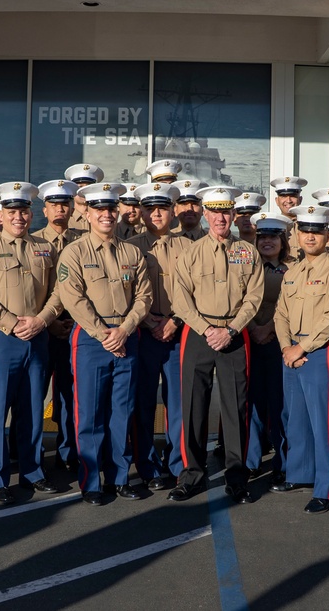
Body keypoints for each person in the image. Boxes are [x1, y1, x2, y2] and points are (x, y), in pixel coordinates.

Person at [56, 183, 153, 505]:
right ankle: (91, 481)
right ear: (88, 213)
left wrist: (124, 330)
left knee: (121, 412)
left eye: (111, 209)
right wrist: (103, 334)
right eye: (100, 209)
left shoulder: (132, 252)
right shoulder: (75, 251)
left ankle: (120, 478)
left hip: (126, 337)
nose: (107, 215)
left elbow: (144, 296)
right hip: (91, 339)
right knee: (90, 414)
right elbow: (73, 298)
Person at [0, 181, 63, 504]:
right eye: (12, 212)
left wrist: (41, 320)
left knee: (34, 406)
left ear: (31, 213)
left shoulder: (44, 248)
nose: (18, 217)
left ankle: (33, 471)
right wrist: (11, 323)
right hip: (2, 337)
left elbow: (57, 293)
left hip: (37, 335)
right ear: (2, 214)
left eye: (23, 211)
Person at [169, 186, 265, 504]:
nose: (221, 217)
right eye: (215, 212)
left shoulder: (248, 252)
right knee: (193, 404)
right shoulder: (191, 253)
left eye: (227, 211)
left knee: (236, 406)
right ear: (206, 215)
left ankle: (237, 476)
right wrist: (206, 328)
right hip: (198, 332)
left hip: (235, 334)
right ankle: (192, 474)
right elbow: (180, 298)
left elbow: (254, 296)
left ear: (234, 215)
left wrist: (232, 329)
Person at [273, 205, 329, 513]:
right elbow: (281, 313)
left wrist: (301, 348)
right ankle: (301, 473)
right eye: (304, 230)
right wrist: (285, 347)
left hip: (320, 351)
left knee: (324, 422)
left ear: (326, 235)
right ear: (296, 234)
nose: (310, 236)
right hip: (291, 351)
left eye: (316, 231)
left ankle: (327, 486)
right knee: (298, 419)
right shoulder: (293, 272)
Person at [127, 183, 191, 490]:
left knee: (178, 403)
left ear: (173, 211)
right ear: (140, 211)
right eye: (150, 208)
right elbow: (125, 294)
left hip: (178, 332)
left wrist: (175, 321)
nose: (156, 214)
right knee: (143, 403)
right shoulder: (130, 247)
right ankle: (147, 465)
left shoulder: (189, 247)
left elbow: (195, 292)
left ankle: (178, 464)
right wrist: (151, 321)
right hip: (143, 333)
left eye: (162, 208)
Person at [36, 179, 84, 472]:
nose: (59, 209)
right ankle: (25, 447)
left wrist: (69, 322)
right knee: (33, 393)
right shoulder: (34, 241)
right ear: (45, 210)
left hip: (75, 328)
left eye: (64, 204)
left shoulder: (83, 240)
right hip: (42, 329)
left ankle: (69, 451)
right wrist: (49, 322)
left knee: (70, 394)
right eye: (54, 205)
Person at [244, 213, 293, 485]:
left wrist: (269, 329)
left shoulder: (292, 270)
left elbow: (290, 307)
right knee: (252, 403)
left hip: (278, 342)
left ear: (282, 240)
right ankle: (251, 461)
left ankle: (282, 462)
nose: (267, 242)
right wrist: (253, 329)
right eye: (262, 237)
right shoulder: (245, 267)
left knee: (279, 404)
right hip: (250, 339)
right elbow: (238, 300)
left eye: (273, 237)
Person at [271, 176, 307, 259]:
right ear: (277, 201)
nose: (289, 200)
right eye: (283, 196)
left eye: (293, 196)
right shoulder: (272, 227)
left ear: (300, 199)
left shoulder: (310, 226)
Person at [65, 163, 104, 231]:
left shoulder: (104, 219)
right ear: (72, 190)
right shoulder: (64, 220)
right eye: (80, 187)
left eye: (89, 188)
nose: (84, 192)